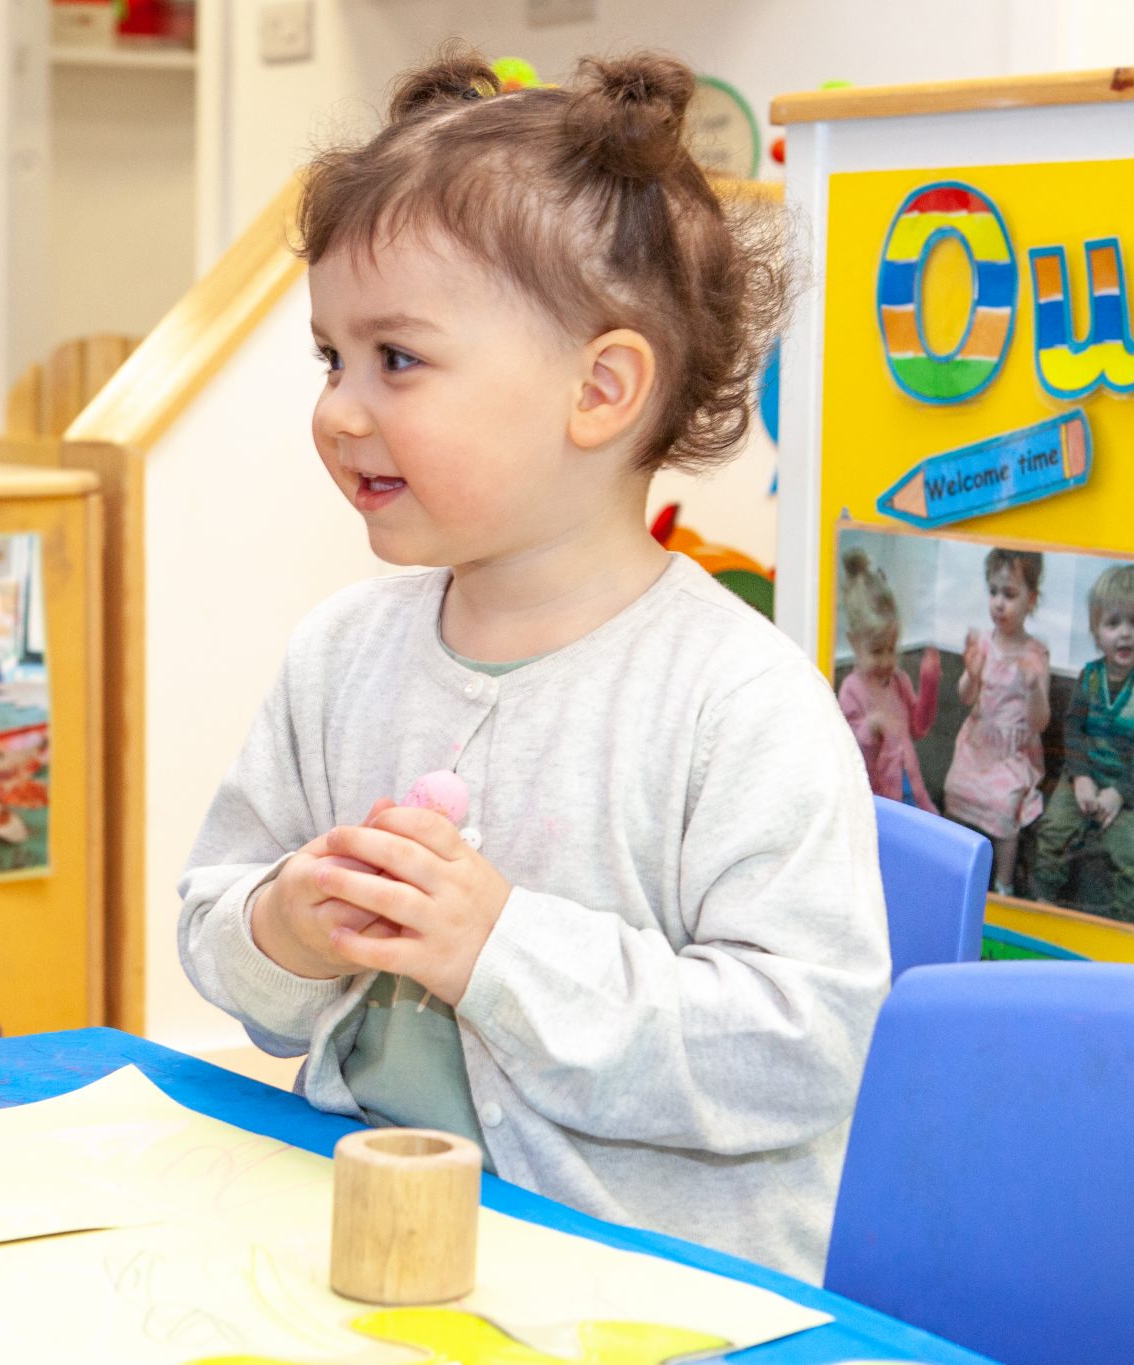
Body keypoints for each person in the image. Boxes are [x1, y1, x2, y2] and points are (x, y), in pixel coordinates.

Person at [176, 50, 888, 1283]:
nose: (339, 409)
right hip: (359, 1247)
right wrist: (283, 927)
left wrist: (496, 949)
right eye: (328, 359)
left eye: (394, 359)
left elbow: (798, 1050)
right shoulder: (338, 656)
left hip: (633, 1291)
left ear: (600, 389)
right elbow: (219, 934)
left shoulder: (738, 704)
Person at [1030, 564, 1134, 925]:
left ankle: (1126, 933)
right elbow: (1073, 730)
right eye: (1113, 623)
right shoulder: (1089, 677)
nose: (1124, 634)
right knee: (1052, 831)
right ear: (1095, 631)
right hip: (1082, 778)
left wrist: (1119, 794)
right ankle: (1043, 906)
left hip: (1125, 790)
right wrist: (1081, 778)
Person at [943, 548, 1050, 894]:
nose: (999, 603)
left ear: (1031, 600)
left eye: (1010, 594)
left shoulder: (1035, 655)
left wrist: (1034, 688)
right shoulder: (984, 644)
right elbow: (965, 697)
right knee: (954, 788)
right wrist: (971, 675)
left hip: (1011, 753)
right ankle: (953, 870)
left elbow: (1040, 722)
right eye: (993, 592)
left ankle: (1004, 883)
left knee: (1004, 807)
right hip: (978, 743)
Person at [837, 547, 939, 812]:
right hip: (878, 807)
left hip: (912, 793)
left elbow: (918, 729)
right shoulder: (851, 692)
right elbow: (849, 761)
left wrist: (929, 683)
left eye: (891, 649)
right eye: (876, 651)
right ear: (853, 642)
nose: (886, 660)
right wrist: (869, 731)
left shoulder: (899, 681)